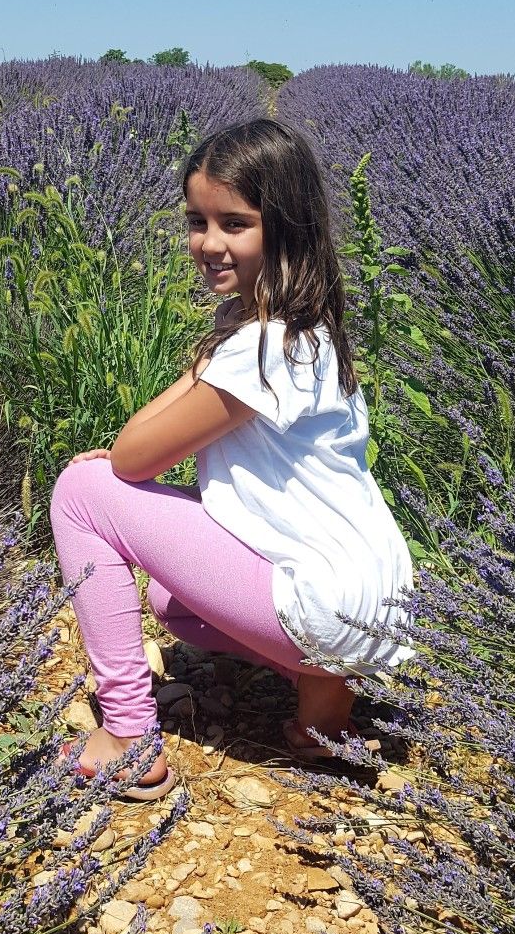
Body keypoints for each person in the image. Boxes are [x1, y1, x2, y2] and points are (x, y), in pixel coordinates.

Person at [49, 117, 415, 800]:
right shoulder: (312, 333)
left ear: (285, 228)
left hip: (321, 606)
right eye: (198, 221)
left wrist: (211, 356)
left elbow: (131, 457)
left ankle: (127, 736)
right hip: (373, 611)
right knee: (172, 602)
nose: (209, 244)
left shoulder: (258, 349)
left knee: (79, 489)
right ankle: (323, 710)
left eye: (234, 223)